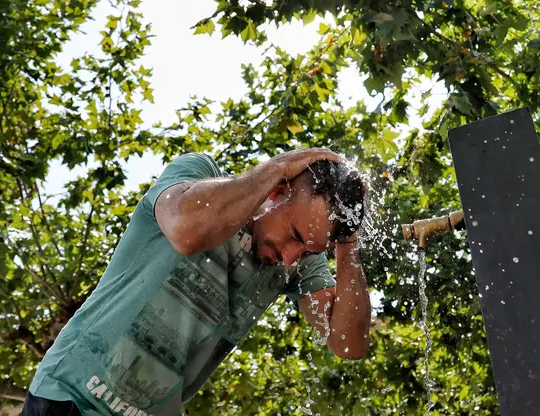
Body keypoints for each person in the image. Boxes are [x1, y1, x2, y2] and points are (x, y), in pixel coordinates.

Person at [22, 148, 371, 416]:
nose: (292, 256)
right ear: (278, 191)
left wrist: (347, 246)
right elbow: (185, 230)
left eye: (310, 249)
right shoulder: (196, 175)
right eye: (295, 235)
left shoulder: (298, 266)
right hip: (70, 400)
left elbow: (348, 344)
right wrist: (277, 168)